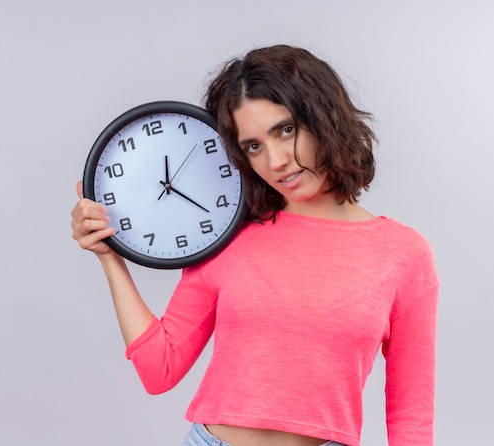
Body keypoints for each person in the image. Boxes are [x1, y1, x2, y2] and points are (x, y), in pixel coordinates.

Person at [71, 44, 439, 446]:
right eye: (253, 146)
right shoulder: (229, 235)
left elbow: (410, 414)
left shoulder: (403, 254)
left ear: (326, 118)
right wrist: (111, 258)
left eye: (286, 130)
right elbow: (160, 369)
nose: (276, 161)